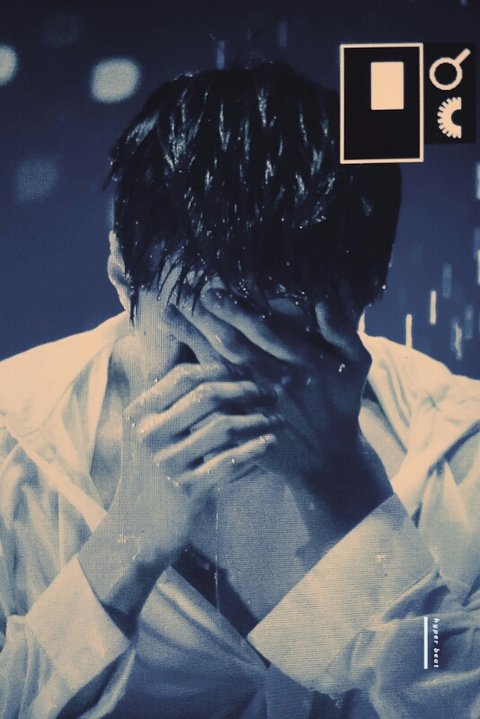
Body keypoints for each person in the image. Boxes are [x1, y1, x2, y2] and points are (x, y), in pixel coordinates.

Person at [0, 60, 479, 719]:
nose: (236, 375)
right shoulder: (13, 442)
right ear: (120, 271)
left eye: (282, 338)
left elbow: (452, 676)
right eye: (197, 328)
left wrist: (351, 496)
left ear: (369, 289)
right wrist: (122, 550)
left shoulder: (460, 447)